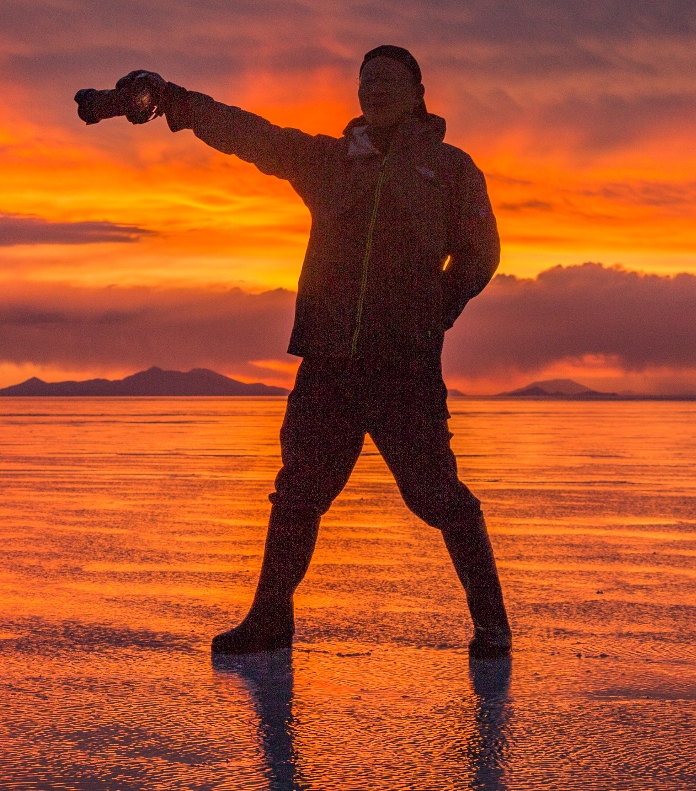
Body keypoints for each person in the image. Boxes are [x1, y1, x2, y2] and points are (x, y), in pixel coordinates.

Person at [93, 46, 511, 659]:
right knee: (299, 494)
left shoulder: (450, 171)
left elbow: (481, 254)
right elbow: (252, 135)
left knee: (436, 495)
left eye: (389, 80)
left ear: (418, 90)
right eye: (367, 81)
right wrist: (173, 100)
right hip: (329, 362)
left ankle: (492, 624)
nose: (375, 90)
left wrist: (433, 314)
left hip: (403, 365)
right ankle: (270, 620)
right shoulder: (330, 162)